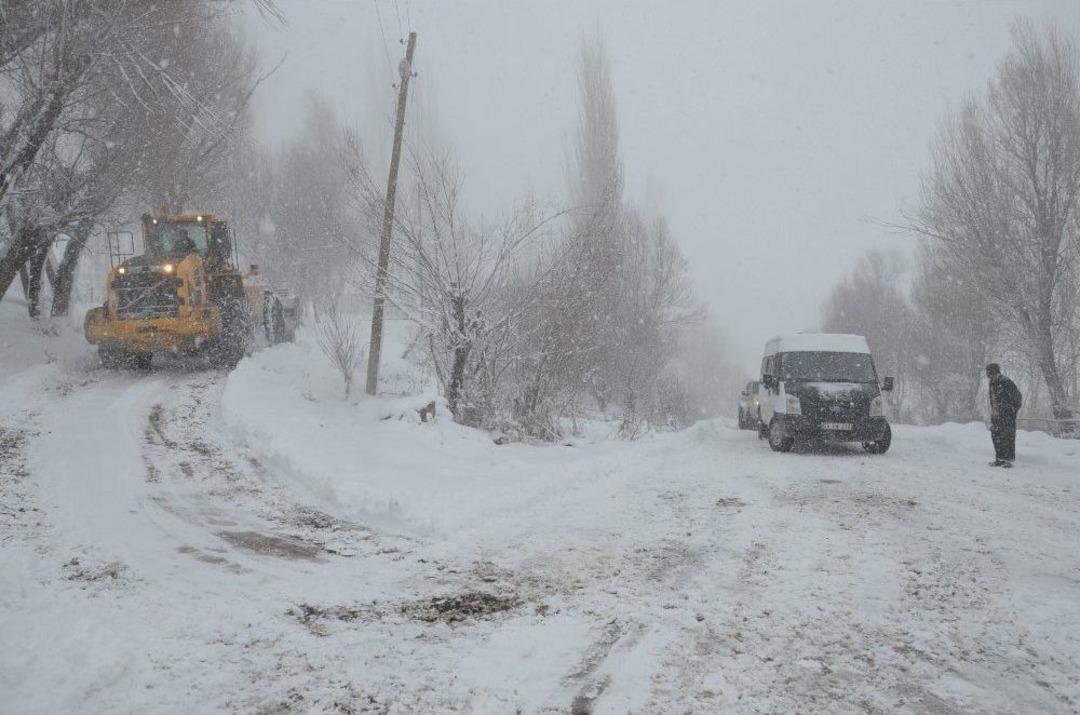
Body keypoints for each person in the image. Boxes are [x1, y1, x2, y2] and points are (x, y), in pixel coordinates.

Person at [986, 363, 1022, 467]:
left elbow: (1018, 397)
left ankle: (1008, 460)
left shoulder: (1006, 382)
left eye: (989, 371)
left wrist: (1012, 412)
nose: (988, 374)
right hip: (996, 416)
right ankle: (999, 459)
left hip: (1007, 416)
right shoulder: (991, 383)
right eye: (987, 372)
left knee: (1007, 437)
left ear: (995, 371)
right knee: (996, 437)